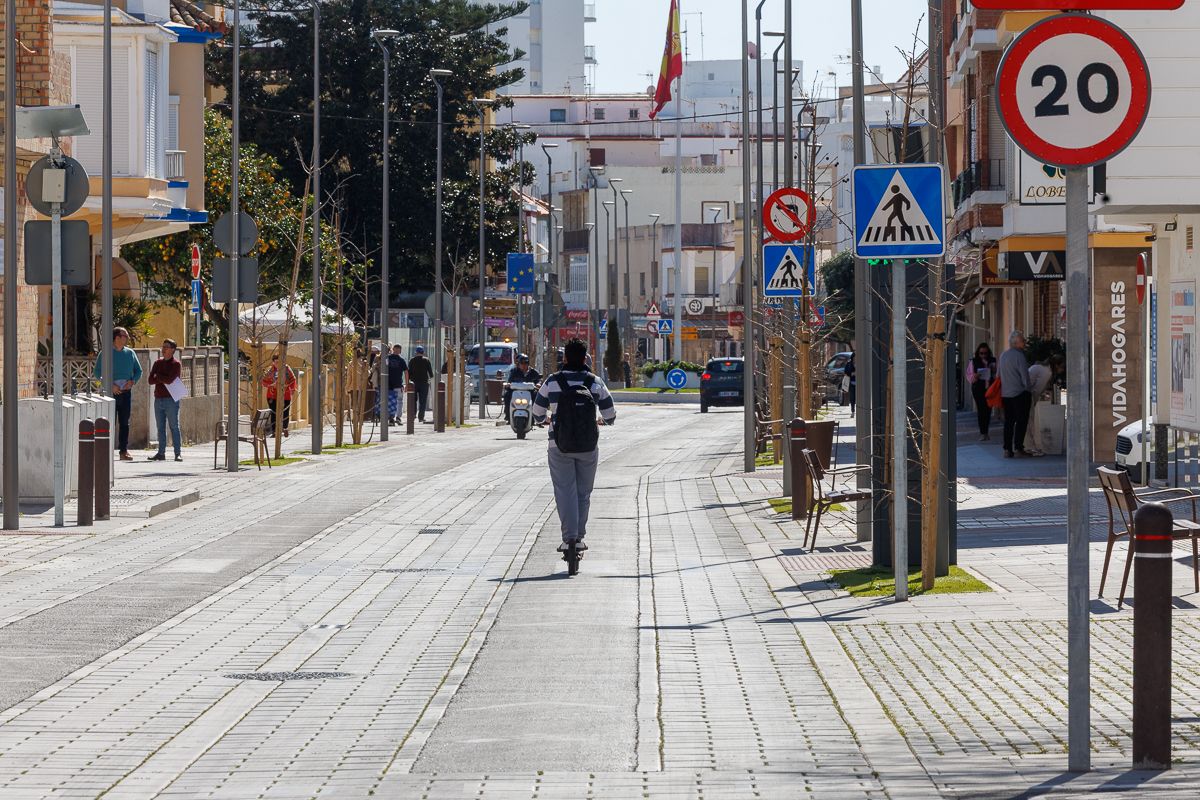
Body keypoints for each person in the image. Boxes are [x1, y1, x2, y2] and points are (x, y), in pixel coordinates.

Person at [532, 338, 616, 554]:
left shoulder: (552, 381)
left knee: (564, 491)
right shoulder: (595, 382)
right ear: (585, 358)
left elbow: (537, 412)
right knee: (583, 493)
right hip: (588, 446)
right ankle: (579, 537)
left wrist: (545, 420)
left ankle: (568, 537)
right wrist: (603, 421)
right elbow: (610, 414)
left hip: (558, 446)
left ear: (565, 358)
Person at [93, 326, 142, 461]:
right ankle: (106, 451)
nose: (127, 338)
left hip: (126, 393)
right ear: (117, 337)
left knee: (124, 422)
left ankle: (123, 451)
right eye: (125, 335)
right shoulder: (105, 353)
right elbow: (97, 372)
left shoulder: (130, 353)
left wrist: (132, 381)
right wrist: (110, 385)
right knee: (109, 422)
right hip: (110, 393)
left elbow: (138, 371)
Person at [146, 339, 183, 461]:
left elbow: (170, 380)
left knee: (174, 426)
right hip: (158, 399)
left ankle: (177, 453)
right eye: (163, 347)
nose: (163, 349)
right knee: (160, 428)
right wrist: (161, 377)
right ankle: (161, 453)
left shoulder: (176, 364)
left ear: (172, 350)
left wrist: (158, 376)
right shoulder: (157, 363)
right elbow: (150, 380)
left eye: (166, 347)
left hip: (171, 400)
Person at [999, 330, 1033, 458]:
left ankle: (1007, 449)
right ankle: (1019, 447)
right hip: (1020, 393)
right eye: (1023, 340)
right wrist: (1028, 389)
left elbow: (998, 374)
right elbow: (1025, 376)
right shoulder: (1020, 356)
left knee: (1008, 422)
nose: (1024, 342)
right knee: (1021, 421)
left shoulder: (1003, 355)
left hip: (1006, 393)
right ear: (1017, 342)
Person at [1025, 354, 1064, 456]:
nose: (1062, 370)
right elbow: (1037, 390)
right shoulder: (1047, 372)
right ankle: (1030, 448)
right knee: (1029, 423)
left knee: (1026, 422)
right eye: (1062, 367)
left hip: (1022, 393)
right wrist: (1033, 402)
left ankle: (1027, 447)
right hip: (1026, 395)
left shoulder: (1041, 367)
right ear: (1056, 365)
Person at [966, 342, 998, 441]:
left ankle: (986, 431)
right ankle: (983, 433)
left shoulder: (993, 361)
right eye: (981, 353)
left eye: (985, 353)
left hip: (990, 389)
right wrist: (974, 376)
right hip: (978, 389)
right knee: (981, 410)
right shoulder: (973, 362)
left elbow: (997, 374)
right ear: (978, 353)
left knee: (988, 410)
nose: (983, 355)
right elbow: (968, 375)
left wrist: (993, 372)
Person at [262, 353, 297, 438]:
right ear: (273, 362)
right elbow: (263, 381)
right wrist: (271, 385)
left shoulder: (287, 369)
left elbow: (293, 379)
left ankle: (284, 428)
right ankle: (274, 431)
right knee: (274, 413)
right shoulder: (270, 370)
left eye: (280, 362)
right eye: (276, 362)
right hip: (272, 395)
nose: (278, 364)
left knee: (285, 412)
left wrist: (292, 389)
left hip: (285, 394)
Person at [504, 353, 542, 421]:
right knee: (507, 395)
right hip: (516, 392)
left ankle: (535, 417)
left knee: (536, 395)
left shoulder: (534, 372)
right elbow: (509, 381)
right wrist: (508, 385)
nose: (524, 365)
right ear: (518, 364)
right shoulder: (514, 371)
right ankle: (508, 416)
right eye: (522, 363)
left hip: (530, 392)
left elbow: (538, 381)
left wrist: (538, 384)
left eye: (526, 363)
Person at [408, 345, 435, 423]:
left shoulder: (412, 360)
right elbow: (431, 373)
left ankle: (413, 415)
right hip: (424, 383)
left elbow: (409, 372)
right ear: (423, 352)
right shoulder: (426, 360)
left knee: (413, 400)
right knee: (422, 401)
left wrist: (409, 380)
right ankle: (421, 417)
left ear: (416, 352)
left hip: (414, 383)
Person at [386, 344, 408, 425]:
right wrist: (407, 384)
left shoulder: (387, 358)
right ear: (400, 351)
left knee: (390, 401)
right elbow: (406, 372)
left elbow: (383, 368)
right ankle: (398, 418)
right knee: (399, 401)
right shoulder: (401, 360)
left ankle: (391, 418)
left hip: (388, 383)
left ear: (393, 349)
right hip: (398, 383)